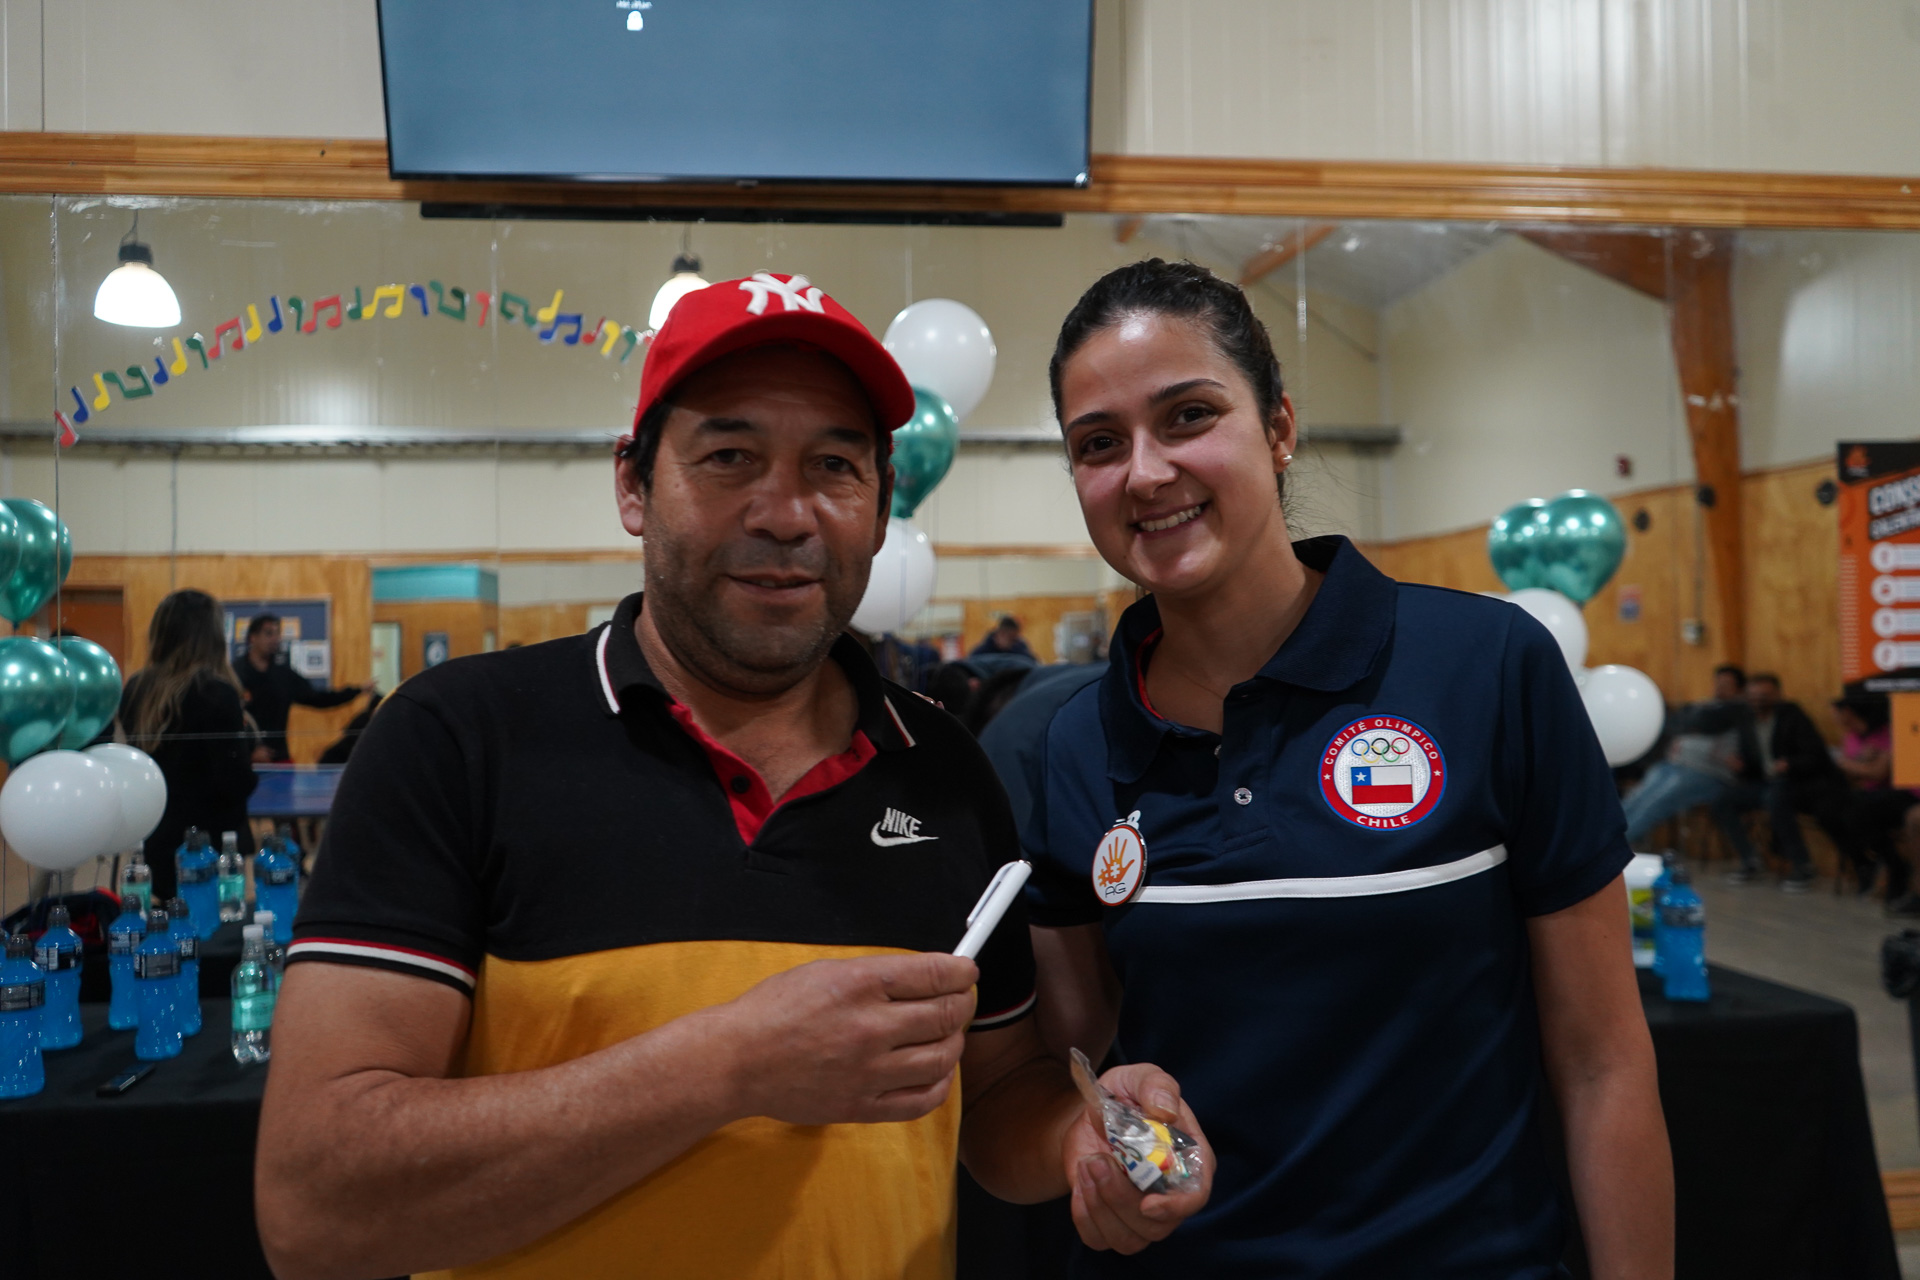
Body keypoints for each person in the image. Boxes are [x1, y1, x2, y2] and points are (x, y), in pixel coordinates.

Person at [256, 272, 1213, 1280]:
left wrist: (1078, 1135)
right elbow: (317, 1207)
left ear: (881, 505)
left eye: (834, 465)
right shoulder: (457, 742)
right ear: (633, 485)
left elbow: (999, 1097)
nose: (786, 512)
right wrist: (728, 1066)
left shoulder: (942, 771)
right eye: (729, 457)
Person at [1025, 259, 1671, 1277]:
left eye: (1189, 415)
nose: (1144, 472)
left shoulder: (1485, 668)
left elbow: (1602, 1062)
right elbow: (1059, 1076)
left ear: (1279, 426)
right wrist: (1105, 1138)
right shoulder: (1075, 743)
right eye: (1098, 443)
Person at [117, 589, 259, 899]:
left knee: (166, 918)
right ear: (212, 637)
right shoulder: (216, 692)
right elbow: (234, 782)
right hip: (207, 846)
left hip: (157, 838)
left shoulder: (136, 688)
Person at [1712, 672, 1845, 891]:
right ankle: (1750, 859)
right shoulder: (1746, 720)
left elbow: (1816, 756)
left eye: (1764, 696)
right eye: (1753, 696)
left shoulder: (1793, 717)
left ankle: (1802, 865)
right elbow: (1752, 761)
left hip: (1798, 782)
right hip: (1764, 782)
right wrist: (1739, 764)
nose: (1758, 701)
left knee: (1776, 797)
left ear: (1777, 695)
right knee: (1722, 800)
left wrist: (1789, 764)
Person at [1620, 665, 1758, 847]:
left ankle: (1615, 846)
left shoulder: (1742, 711)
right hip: (1675, 765)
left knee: (1656, 803)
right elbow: (1676, 724)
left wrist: (1696, 724)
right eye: (1717, 683)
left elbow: (1709, 723)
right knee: (1636, 797)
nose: (1719, 688)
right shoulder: (1705, 706)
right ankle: (1604, 837)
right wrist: (1695, 723)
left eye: (1726, 685)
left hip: (1707, 774)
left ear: (1739, 689)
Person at [234, 613, 366, 762]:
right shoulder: (235, 674)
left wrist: (356, 691)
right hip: (242, 760)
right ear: (253, 637)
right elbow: (227, 719)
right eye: (269, 633)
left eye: (277, 634)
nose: (275, 639)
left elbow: (318, 698)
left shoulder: (284, 675)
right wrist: (249, 751)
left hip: (279, 757)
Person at [1832, 693, 1918, 900]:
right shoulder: (1851, 737)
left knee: (1856, 810)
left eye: (1835, 713)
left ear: (1848, 712)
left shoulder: (1888, 732)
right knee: (1841, 810)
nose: (1834, 718)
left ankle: (1891, 869)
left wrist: (1848, 764)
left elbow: (1878, 773)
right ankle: (1884, 865)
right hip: (1876, 794)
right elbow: (1853, 776)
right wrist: (1860, 764)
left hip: (1899, 792)